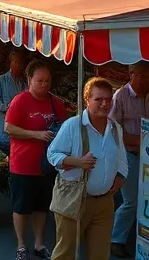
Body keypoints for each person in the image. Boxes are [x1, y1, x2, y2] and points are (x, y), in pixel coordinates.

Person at [47, 78, 126, 260]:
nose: (104, 104)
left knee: (100, 255)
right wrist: (77, 161)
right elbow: (52, 155)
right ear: (87, 100)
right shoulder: (73, 125)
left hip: (104, 202)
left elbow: (121, 160)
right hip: (74, 198)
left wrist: (120, 178)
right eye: (99, 99)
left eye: (108, 99)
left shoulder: (115, 128)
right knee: (65, 253)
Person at [5, 59, 70, 260]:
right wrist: (36, 134)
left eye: (47, 81)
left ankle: (39, 243)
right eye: (40, 81)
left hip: (46, 166)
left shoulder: (55, 102)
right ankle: (21, 245)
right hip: (23, 165)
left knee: (42, 207)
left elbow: (65, 127)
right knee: (22, 207)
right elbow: (8, 128)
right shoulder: (20, 101)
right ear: (30, 80)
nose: (44, 85)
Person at [109, 61, 149, 258]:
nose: (145, 81)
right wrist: (141, 140)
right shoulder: (120, 96)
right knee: (131, 200)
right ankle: (115, 239)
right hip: (127, 156)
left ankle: (144, 238)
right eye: (141, 76)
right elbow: (113, 132)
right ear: (131, 74)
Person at [0, 50, 30, 151]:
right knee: (4, 147)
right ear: (12, 63)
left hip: (18, 122)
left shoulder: (23, 82)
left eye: (22, 63)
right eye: (18, 62)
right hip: (3, 120)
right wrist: (8, 108)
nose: (20, 66)